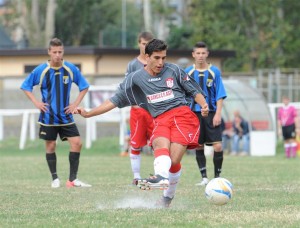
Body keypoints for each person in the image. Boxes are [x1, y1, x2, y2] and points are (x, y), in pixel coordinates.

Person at [76, 39, 209, 207]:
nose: (161, 62)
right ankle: (160, 179)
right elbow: (115, 100)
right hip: (160, 119)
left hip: (182, 117)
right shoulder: (135, 79)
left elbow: (194, 90)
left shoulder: (174, 70)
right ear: (147, 57)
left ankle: (167, 197)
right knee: (160, 145)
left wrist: (204, 104)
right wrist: (89, 113)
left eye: (164, 58)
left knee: (173, 162)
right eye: (157, 58)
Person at [20, 38, 91, 188]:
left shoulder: (71, 69)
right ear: (49, 52)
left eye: (60, 52)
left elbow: (84, 86)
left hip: (66, 116)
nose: (57, 55)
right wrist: (37, 103)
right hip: (48, 116)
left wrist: (75, 104)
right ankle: (55, 179)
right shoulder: (41, 70)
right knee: (51, 146)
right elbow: (26, 86)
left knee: (77, 143)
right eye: (55, 52)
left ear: (63, 51)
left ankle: (72, 180)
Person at [185, 41, 227, 186]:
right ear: (193, 55)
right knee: (198, 146)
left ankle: (217, 177)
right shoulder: (188, 72)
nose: (201, 56)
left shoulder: (214, 71)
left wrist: (218, 113)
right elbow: (184, 94)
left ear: (207, 54)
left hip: (211, 113)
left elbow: (220, 94)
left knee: (218, 146)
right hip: (194, 114)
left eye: (203, 53)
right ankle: (204, 178)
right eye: (198, 53)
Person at [124, 32, 155, 184]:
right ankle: (136, 176)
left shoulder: (157, 62)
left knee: (159, 143)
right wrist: (134, 103)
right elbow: (127, 87)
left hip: (155, 111)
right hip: (138, 111)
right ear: (139, 44)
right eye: (143, 43)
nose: (146, 46)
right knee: (135, 144)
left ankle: (159, 175)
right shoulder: (132, 65)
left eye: (148, 43)